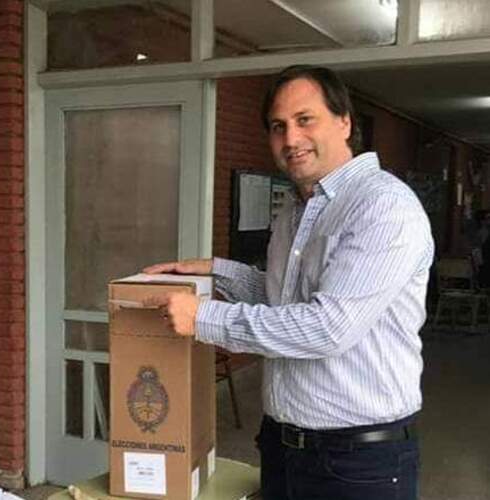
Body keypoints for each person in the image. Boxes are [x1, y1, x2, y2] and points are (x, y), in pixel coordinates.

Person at [145, 65, 434, 500]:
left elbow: (326, 327)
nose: (291, 139)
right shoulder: (296, 211)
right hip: (284, 446)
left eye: (305, 120)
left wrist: (204, 317)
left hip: (357, 462)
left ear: (344, 122)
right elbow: (284, 301)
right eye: (278, 127)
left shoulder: (382, 207)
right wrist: (216, 271)